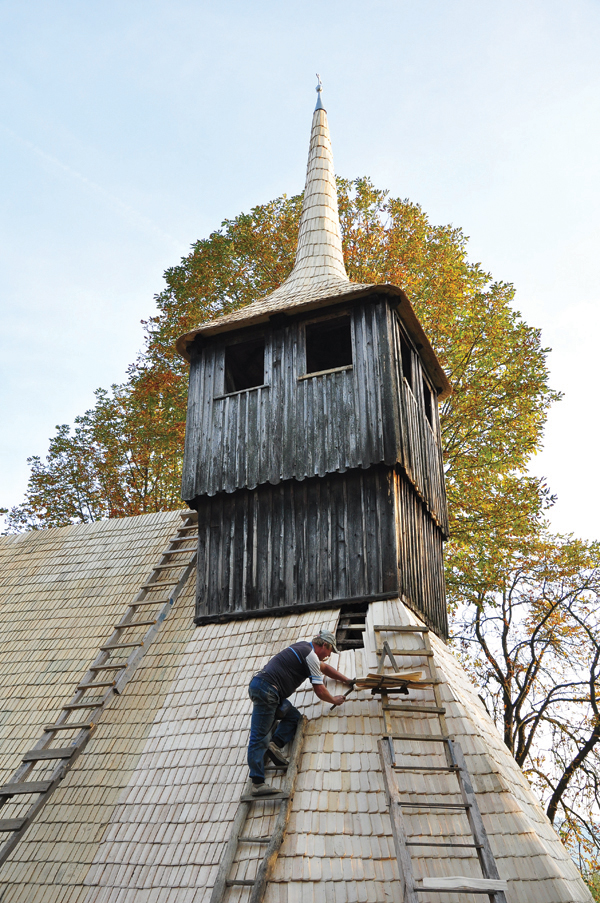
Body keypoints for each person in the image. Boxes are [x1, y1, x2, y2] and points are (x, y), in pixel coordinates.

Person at [247, 629, 353, 796]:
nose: (328, 655)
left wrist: (345, 679)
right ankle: (257, 783)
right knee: (259, 737)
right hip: (267, 690)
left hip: (267, 690)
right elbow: (320, 690)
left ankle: (274, 744)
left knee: (294, 718)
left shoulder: (305, 648)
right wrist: (334, 700)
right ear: (324, 645)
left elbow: (324, 668)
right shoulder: (310, 656)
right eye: (330, 650)